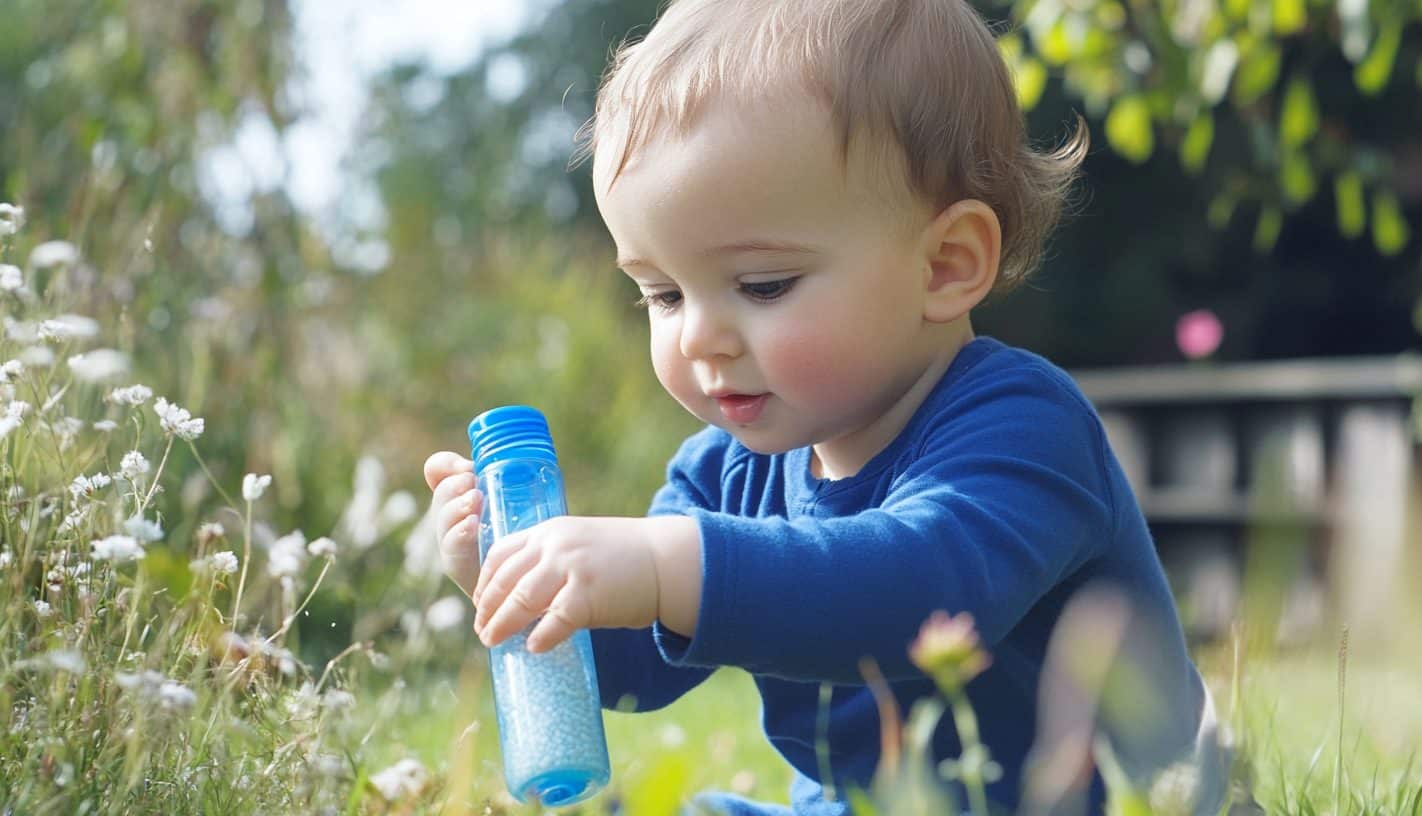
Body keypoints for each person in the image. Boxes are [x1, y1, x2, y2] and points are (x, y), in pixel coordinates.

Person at [423, 0, 1230, 813]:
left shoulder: (1024, 427)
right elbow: (639, 674)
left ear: (946, 265)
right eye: (662, 294)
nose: (700, 338)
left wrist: (668, 564)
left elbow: (920, 593)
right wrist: (526, 586)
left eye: (763, 285)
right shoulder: (723, 475)